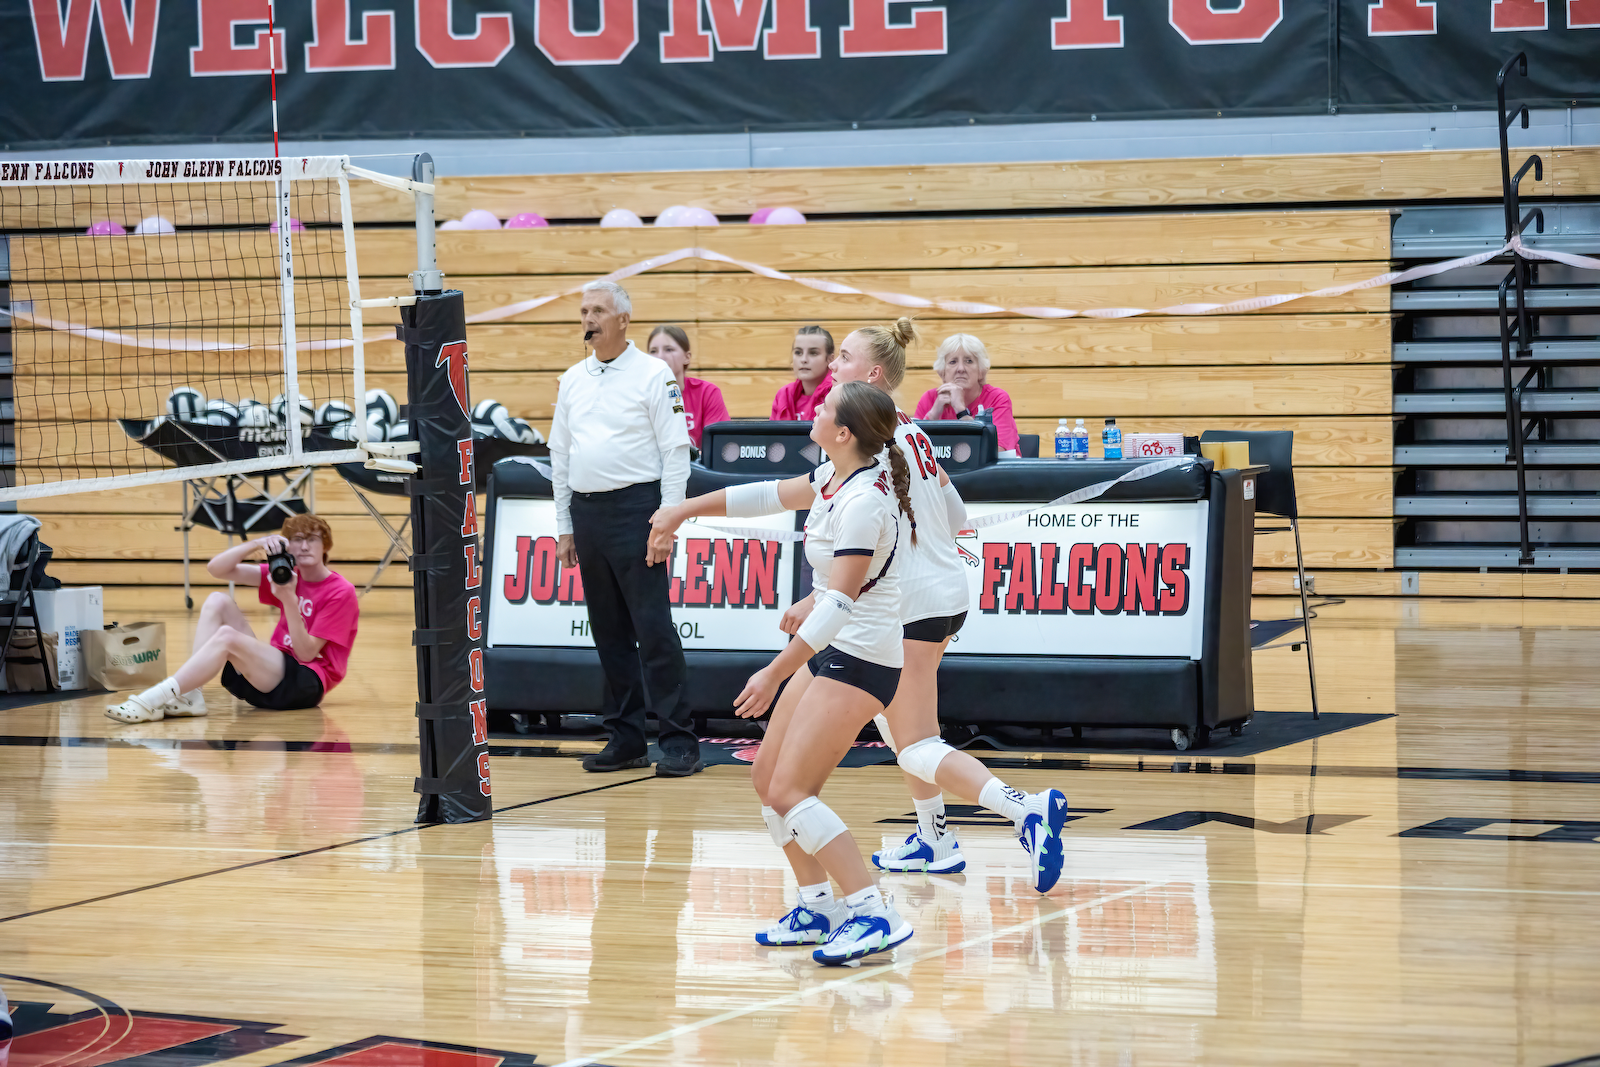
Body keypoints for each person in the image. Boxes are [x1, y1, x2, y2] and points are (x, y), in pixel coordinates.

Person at [649, 382, 918, 966]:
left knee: (792, 792)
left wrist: (773, 673)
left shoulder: (865, 502)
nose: (814, 410)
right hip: (829, 651)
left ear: (843, 432)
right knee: (768, 780)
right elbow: (766, 495)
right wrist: (685, 509)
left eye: (825, 408)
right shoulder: (833, 475)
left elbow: (839, 606)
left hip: (861, 658)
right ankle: (818, 906)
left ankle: (874, 912)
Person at [827, 320, 1068, 890]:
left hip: (911, 603)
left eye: (844, 356)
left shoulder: (867, 439)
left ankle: (1024, 808)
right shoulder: (913, 430)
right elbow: (957, 516)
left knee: (914, 743)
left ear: (872, 373)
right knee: (902, 728)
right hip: (941, 593)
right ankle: (934, 837)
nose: (834, 365)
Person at [551, 280, 702, 778]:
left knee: (653, 629)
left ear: (623, 320)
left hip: (638, 510)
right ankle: (626, 738)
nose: (588, 318)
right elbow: (560, 454)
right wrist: (565, 525)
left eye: (598, 310)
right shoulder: (572, 379)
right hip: (588, 513)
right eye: (584, 310)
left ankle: (679, 740)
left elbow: (675, 452)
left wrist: (667, 518)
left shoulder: (654, 374)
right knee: (609, 631)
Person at [105, 514, 359, 724]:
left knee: (227, 638)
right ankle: (191, 696)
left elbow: (306, 654)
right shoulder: (286, 574)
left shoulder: (340, 591)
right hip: (271, 671)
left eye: (312, 539)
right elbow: (217, 568)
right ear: (287, 546)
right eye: (297, 539)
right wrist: (257, 543)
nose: (304, 546)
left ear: (325, 545)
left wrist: (289, 599)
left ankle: (150, 700)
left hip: (305, 683)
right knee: (217, 600)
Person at [914, 333, 1021, 456]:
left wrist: (961, 411)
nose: (960, 368)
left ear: (981, 371)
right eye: (953, 362)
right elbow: (912, 452)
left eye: (969, 361)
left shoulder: (997, 398)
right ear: (942, 372)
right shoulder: (929, 399)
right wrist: (932, 416)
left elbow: (996, 452)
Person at [647, 324, 728, 451]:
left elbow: (720, 445)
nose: (660, 357)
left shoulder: (707, 393)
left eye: (669, 349)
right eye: (653, 351)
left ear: (687, 357)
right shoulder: (640, 395)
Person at [769, 325, 835, 421]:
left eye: (813, 353)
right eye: (798, 352)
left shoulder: (837, 395)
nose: (804, 359)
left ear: (830, 359)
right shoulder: (783, 395)